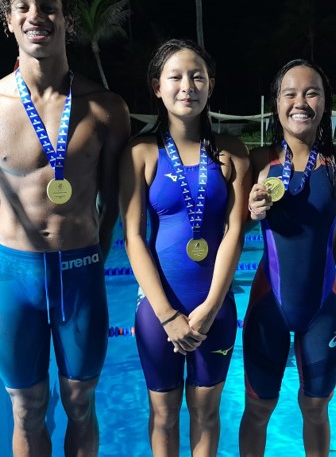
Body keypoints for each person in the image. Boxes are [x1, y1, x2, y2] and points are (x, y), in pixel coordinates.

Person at [0, 0, 130, 456]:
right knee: (26, 409)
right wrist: (10, 267)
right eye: (24, 7)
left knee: (80, 403)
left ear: (66, 18)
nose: (37, 16)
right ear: (9, 20)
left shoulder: (106, 108)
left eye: (48, 6)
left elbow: (112, 205)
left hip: (81, 272)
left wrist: (90, 257)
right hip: (16, 277)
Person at [119, 39, 250, 457]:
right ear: (157, 87)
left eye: (197, 77)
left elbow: (234, 233)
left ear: (211, 85)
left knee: (206, 414)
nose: (187, 86)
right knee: (163, 415)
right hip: (159, 310)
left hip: (215, 308)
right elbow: (133, 237)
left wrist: (211, 306)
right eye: (175, 77)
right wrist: (167, 315)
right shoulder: (142, 153)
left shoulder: (232, 153)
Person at [238, 59, 336, 457]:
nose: (301, 102)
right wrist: (251, 211)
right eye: (290, 93)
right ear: (276, 102)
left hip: (322, 304)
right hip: (269, 303)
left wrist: (318, 271)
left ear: (325, 102)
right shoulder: (258, 161)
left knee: (316, 408)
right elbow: (234, 229)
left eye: (312, 93)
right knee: (258, 408)